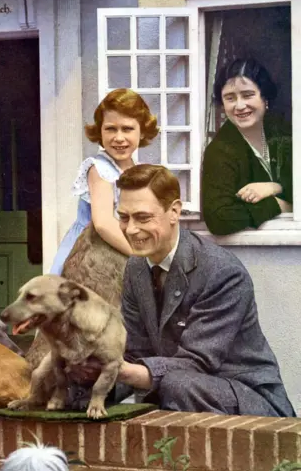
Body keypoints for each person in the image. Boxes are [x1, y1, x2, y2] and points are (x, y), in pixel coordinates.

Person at [72, 164, 295, 417]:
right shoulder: (135, 267)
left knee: (176, 385)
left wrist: (119, 370)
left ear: (174, 212)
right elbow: (136, 353)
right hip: (183, 389)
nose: (131, 229)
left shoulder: (222, 272)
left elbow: (197, 363)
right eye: (123, 217)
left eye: (143, 218)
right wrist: (95, 369)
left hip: (251, 400)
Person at [50, 88, 158, 275]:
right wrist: (140, 256)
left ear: (142, 132)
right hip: (91, 251)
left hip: (118, 246)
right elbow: (103, 223)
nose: (119, 138)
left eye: (127, 129)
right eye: (110, 129)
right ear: (100, 132)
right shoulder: (100, 169)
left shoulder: (136, 170)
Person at [202, 58, 292, 235]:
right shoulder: (220, 150)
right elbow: (218, 217)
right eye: (230, 98)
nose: (240, 106)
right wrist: (279, 204)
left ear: (265, 97)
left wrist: (274, 187)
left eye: (248, 95)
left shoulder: (284, 133)